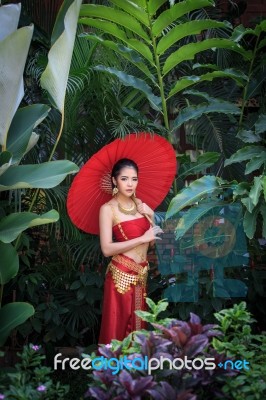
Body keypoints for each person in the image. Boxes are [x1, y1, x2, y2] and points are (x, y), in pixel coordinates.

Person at [98, 158, 163, 345]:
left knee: (138, 324)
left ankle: (135, 371)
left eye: (134, 179)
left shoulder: (141, 205)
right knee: (118, 327)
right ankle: (112, 371)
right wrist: (142, 238)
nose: (130, 184)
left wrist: (151, 216)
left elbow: (150, 245)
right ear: (114, 181)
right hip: (121, 275)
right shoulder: (107, 209)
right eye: (124, 179)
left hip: (141, 274)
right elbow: (106, 249)